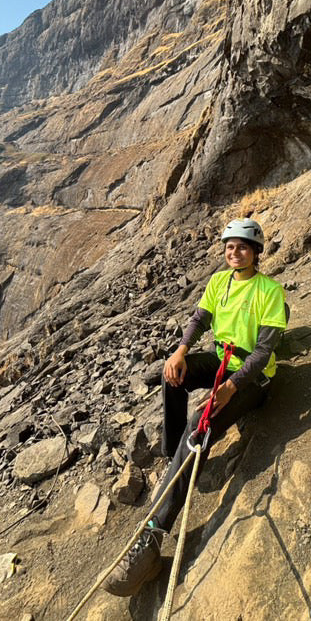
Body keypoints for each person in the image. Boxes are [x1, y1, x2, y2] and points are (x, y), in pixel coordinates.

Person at [102, 219, 288, 596]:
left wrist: (231, 388)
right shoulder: (219, 281)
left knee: (199, 426)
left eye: (242, 247)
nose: (234, 252)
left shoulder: (270, 291)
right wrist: (180, 352)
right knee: (173, 377)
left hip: (252, 379)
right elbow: (199, 320)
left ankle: (153, 536)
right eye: (229, 247)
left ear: (255, 252)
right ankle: (176, 455)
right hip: (221, 362)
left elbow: (264, 352)